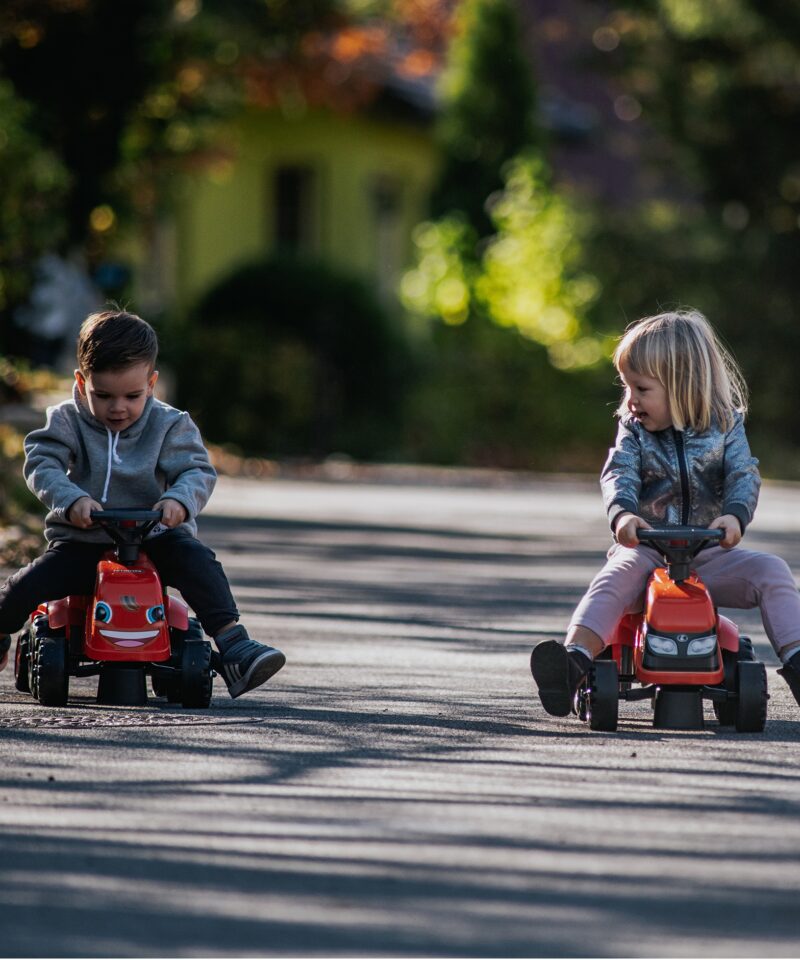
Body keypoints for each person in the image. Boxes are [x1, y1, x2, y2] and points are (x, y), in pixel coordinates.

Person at [0, 309, 285, 698]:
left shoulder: (170, 424)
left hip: (155, 540)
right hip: (84, 542)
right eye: (103, 395)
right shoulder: (67, 421)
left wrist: (178, 501)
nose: (118, 407)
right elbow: (41, 462)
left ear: (151, 383)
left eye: (132, 396)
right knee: (25, 586)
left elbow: (197, 471)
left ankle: (234, 643)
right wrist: (72, 500)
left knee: (199, 561)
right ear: (82, 382)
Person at [530, 308, 800, 715]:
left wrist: (734, 515)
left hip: (707, 555)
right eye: (626, 388)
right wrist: (623, 516)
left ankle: (797, 660)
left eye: (640, 388)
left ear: (682, 385)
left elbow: (743, 473)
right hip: (648, 552)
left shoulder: (725, 425)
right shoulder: (633, 429)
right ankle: (574, 662)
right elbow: (618, 471)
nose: (630, 400)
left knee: (772, 571)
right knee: (614, 578)